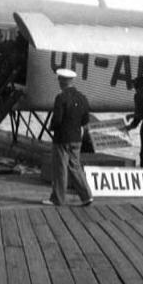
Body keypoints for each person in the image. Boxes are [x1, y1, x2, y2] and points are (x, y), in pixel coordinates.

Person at [42, 68, 94, 206]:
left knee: (60, 168)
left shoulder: (61, 97)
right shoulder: (82, 97)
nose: (58, 81)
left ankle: (57, 198)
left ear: (62, 81)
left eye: (59, 79)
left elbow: (57, 119)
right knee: (75, 167)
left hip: (62, 138)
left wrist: (51, 127)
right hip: (77, 138)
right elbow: (85, 120)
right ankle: (87, 196)